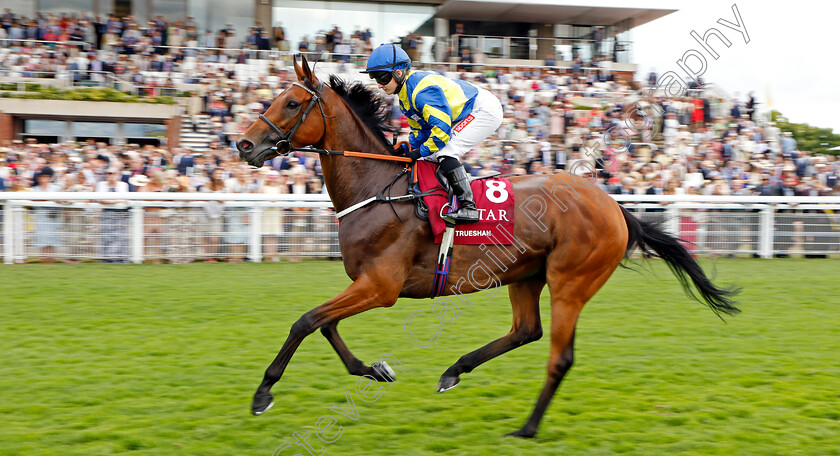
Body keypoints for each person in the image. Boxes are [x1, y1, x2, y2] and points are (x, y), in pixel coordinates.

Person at [361, 43, 503, 223]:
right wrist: (410, 150)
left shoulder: (421, 91)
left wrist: (419, 151)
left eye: (381, 77)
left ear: (398, 72)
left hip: (483, 109)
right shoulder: (404, 96)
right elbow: (420, 131)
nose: (379, 84)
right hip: (464, 112)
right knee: (428, 157)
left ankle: (469, 207)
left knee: (445, 151)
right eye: (374, 78)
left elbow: (441, 131)